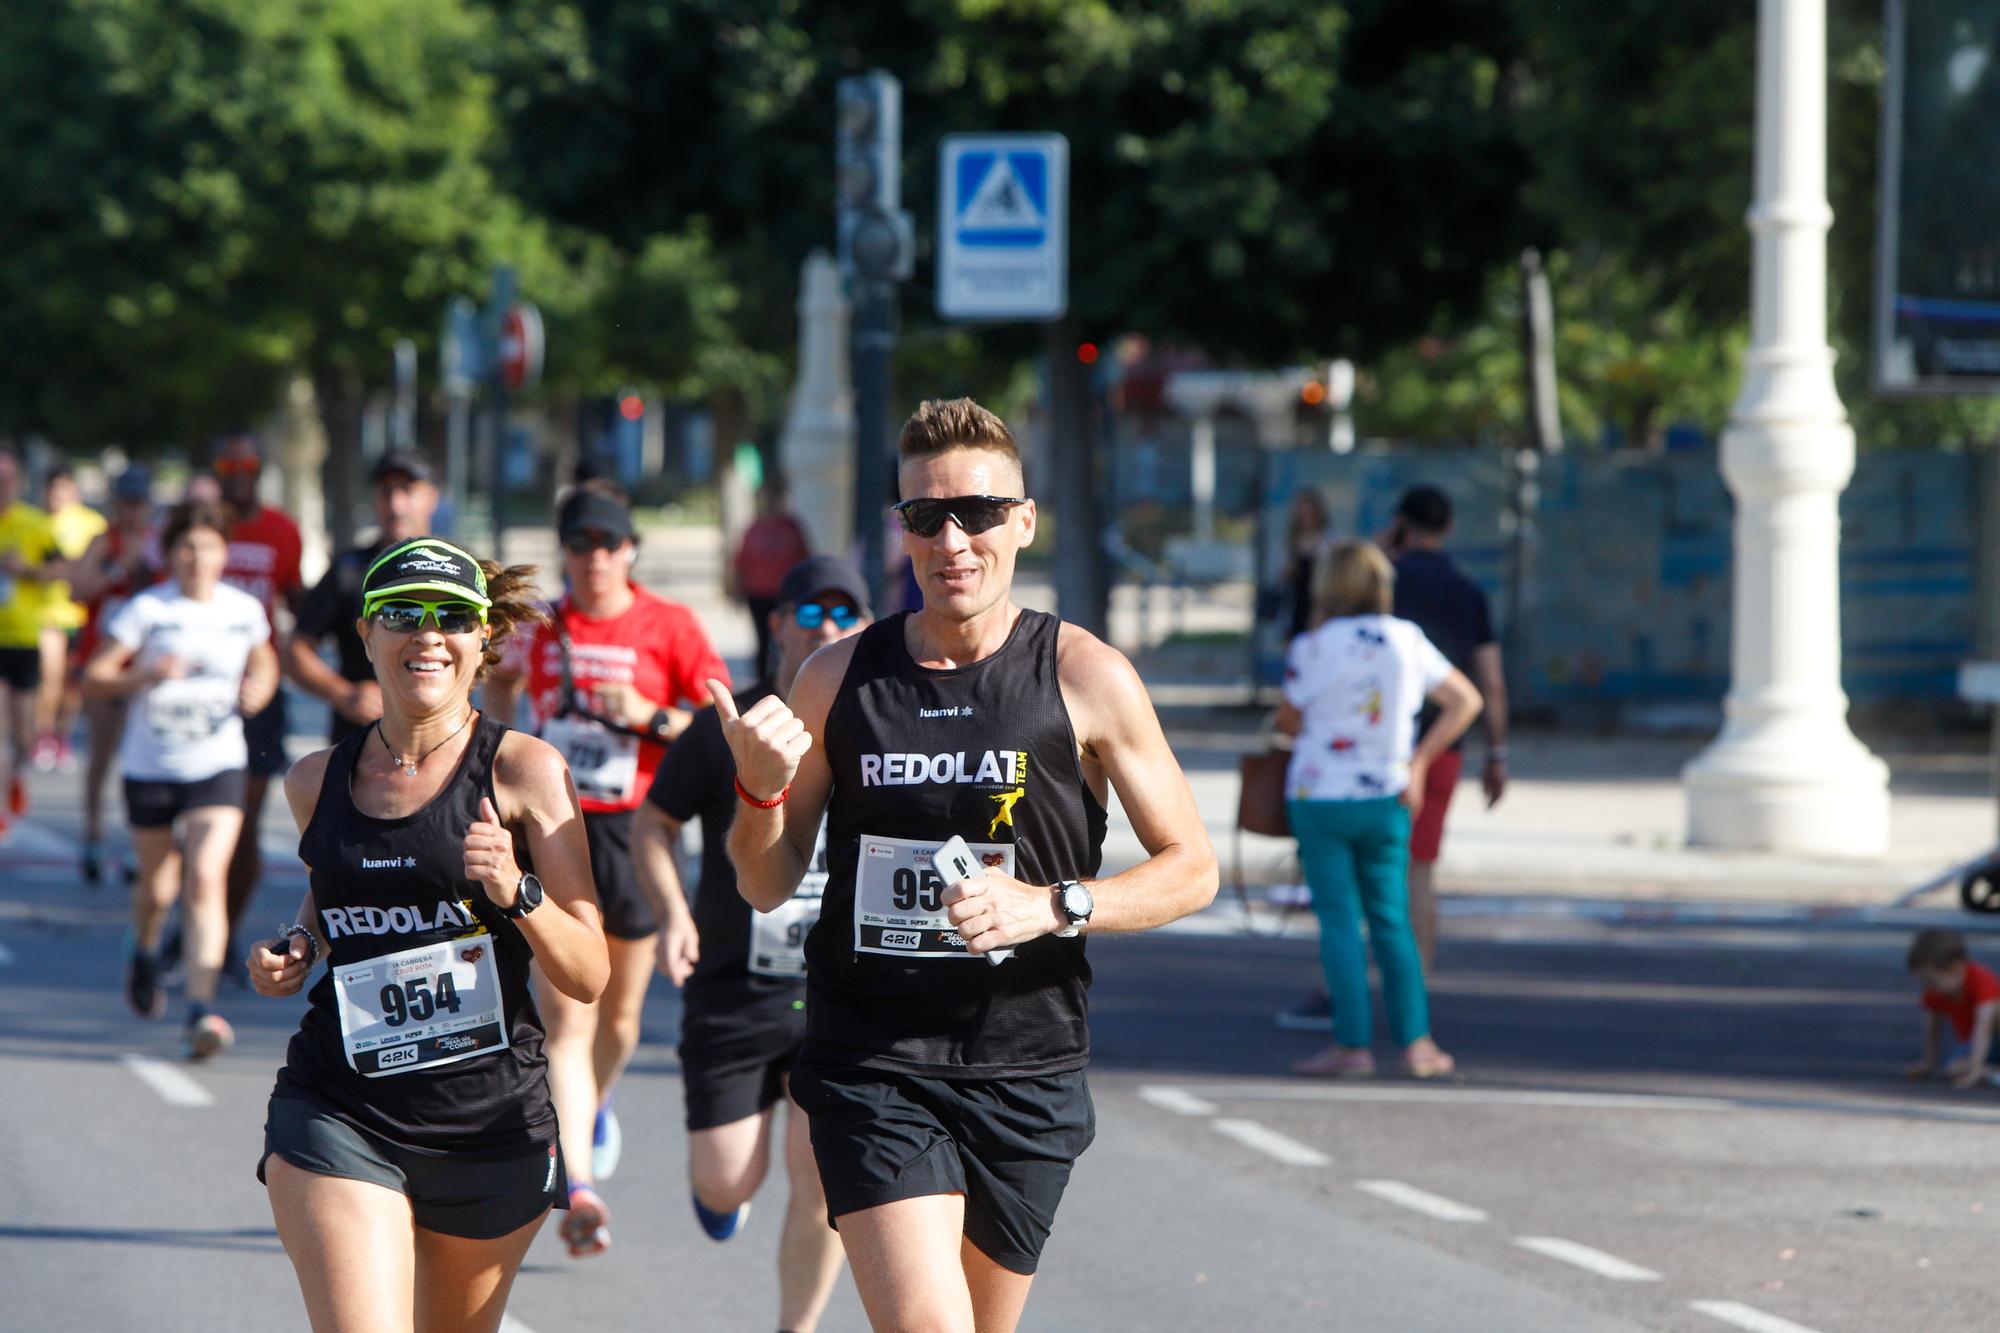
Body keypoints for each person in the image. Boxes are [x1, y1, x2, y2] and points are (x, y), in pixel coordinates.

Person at [713, 397, 1218, 1333]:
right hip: (872, 1059)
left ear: (1023, 520)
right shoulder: (836, 676)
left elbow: (1193, 867)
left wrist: (1052, 905)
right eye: (924, 516)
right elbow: (766, 881)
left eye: (978, 512)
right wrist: (758, 793)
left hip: (1027, 1063)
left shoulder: (1084, 674)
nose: (953, 538)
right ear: (899, 529)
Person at [246, 535, 608, 1332]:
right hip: (341, 1106)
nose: (427, 633)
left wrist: (517, 892)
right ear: (367, 634)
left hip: (489, 1126)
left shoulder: (525, 772)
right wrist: (299, 945)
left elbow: (588, 972)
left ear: (483, 640)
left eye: (452, 616)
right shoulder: (315, 779)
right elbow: (339, 888)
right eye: (402, 613)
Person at [483, 485, 729, 1257]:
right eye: (581, 543)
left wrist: (649, 715)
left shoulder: (669, 625)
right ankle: (580, 1183)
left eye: (609, 543)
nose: (595, 557)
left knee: (618, 1017)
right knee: (570, 1018)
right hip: (554, 828)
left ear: (629, 551)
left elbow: (726, 722)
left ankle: (595, 1103)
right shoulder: (539, 626)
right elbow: (497, 689)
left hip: (634, 832)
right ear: (565, 550)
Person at [634, 555, 866, 1332]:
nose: (827, 629)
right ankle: (720, 1192)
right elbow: (653, 825)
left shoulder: (875, 727)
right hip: (734, 986)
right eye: (810, 614)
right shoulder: (728, 724)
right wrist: (673, 914)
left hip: (834, 996)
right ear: (778, 625)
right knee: (729, 1181)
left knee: (821, 1177)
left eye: (844, 616)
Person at [1274, 484, 1510, 1033]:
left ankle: (1349, 1043)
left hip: (1320, 796)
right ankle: (1416, 1041)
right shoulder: (1406, 638)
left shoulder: (1312, 646)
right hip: (1388, 792)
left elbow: (1290, 717)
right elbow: (1469, 699)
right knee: (1393, 918)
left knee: (1337, 920)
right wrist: (1421, 760)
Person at [83, 502, 278, 1058]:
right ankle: (143, 949)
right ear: (169, 555)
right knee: (158, 887)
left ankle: (201, 1008)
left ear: (224, 554)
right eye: (187, 548)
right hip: (151, 766)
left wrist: (258, 689)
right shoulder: (147, 610)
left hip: (216, 764)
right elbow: (95, 679)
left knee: (204, 880)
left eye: (210, 547)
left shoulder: (243, 609)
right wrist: (146, 673)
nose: (198, 559)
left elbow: (265, 660)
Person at [213, 432, 305, 957]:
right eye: (231, 463)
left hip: (257, 695)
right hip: (200, 692)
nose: (240, 471)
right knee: (200, 821)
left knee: (243, 821)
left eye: (249, 463)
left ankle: (222, 931)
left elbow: (299, 605)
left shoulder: (282, 532)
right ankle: (195, 914)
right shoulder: (205, 528)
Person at [285, 451, 441, 744]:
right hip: (358, 743)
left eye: (406, 491)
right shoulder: (349, 571)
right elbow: (295, 652)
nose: (396, 505)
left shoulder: (457, 572)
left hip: (439, 739)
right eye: (386, 492)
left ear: (432, 497)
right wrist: (345, 694)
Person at [67, 465, 162, 882]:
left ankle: (133, 848)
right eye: (126, 503)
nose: (132, 511)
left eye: (139, 503)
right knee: (101, 757)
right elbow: (78, 589)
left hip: (142, 667)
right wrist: (117, 568)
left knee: (136, 759)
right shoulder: (104, 541)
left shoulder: (159, 542)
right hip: (102, 663)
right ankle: (92, 837)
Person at [0, 448, 64, 836]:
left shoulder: (35, 524)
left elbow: (61, 569)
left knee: (23, 734)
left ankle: (16, 774)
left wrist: (26, 569)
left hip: (24, 637)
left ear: (19, 484)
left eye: (6, 481)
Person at [34, 465, 106, 772]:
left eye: (65, 491)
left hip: (80, 615)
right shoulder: (35, 523)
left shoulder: (93, 524)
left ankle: (61, 736)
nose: (58, 498)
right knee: (49, 677)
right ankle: (43, 734)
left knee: (72, 685)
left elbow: (96, 567)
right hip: (45, 613)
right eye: (53, 491)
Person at [731, 475, 813, 679]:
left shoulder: (792, 527)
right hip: (758, 594)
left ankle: (785, 680)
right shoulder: (754, 528)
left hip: (786, 595)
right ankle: (763, 683)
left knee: (786, 641)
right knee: (762, 640)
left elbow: (805, 559)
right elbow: (741, 562)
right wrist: (736, 589)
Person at [1905, 928, 2000, 1089]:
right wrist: (1929, 1061)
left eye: (1931, 981)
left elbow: (1983, 1027)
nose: (1929, 987)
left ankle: (1982, 1069)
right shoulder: (1936, 992)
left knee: (1995, 1010)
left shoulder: (1981, 980)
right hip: (1974, 1045)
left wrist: (1975, 1070)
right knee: (1953, 1068)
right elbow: (1932, 1028)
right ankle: (1991, 1073)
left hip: (1991, 1037)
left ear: (1955, 968)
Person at [1282, 485, 1331, 640]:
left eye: (1310, 514)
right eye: (1302, 514)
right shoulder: (1292, 540)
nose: (1306, 518)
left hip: (1319, 602)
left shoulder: (1328, 539)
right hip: (1296, 603)